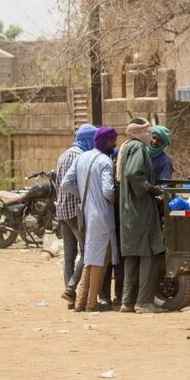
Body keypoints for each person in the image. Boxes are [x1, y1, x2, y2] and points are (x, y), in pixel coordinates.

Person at [60, 126, 119, 313]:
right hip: (101, 216)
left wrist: (84, 196)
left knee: (91, 259)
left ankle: (80, 303)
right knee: (101, 260)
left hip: (85, 214)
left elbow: (66, 183)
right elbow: (108, 190)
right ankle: (92, 302)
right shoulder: (104, 161)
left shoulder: (81, 157)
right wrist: (114, 198)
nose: (115, 144)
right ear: (108, 142)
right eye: (113, 141)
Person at [118, 118, 165, 314]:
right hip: (140, 210)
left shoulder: (126, 147)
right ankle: (144, 302)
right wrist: (152, 189)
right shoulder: (137, 148)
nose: (150, 137)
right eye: (148, 132)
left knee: (132, 257)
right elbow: (134, 174)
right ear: (140, 133)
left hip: (129, 212)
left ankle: (127, 301)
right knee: (149, 255)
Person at [56, 123, 97, 306]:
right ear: (88, 140)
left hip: (62, 211)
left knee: (69, 254)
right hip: (75, 211)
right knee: (87, 251)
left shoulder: (63, 154)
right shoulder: (81, 156)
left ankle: (70, 296)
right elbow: (71, 184)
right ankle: (71, 288)